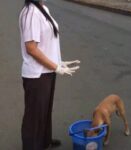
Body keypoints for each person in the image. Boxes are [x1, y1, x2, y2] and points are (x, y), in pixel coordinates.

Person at [19, 0, 80, 150]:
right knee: (34, 115)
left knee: (45, 110)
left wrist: (59, 62)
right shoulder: (31, 12)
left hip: (48, 70)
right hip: (37, 74)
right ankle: (31, 146)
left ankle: (44, 141)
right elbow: (31, 48)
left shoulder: (42, 8)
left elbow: (47, 42)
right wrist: (55, 66)